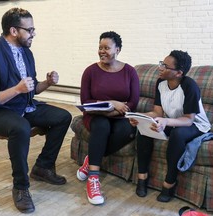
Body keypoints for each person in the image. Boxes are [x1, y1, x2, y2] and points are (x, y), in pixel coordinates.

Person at [0, 8, 72, 213]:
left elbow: (32, 89)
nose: (33, 33)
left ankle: (43, 167)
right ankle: (20, 187)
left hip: (23, 107)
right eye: (30, 30)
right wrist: (16, 89)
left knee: (63, 116)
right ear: (13, 30)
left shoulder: (26, 52)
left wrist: (47, 83)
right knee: (21, 127)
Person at [129, 50, 211, 202]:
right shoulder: (160, 83)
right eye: (161, 63)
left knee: (178, 134)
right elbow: (157, 112)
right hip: (172, 120)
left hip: (196, 125)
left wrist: (166, 121)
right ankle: (142, 177)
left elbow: (188, 120)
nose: (160, 68)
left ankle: (170, 182)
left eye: (165, 66)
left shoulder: (190, 86)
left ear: (179, 73)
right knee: (145, 128)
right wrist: (141, 117)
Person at [76, 31, 140, 205]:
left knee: (128, 130)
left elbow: (133, 101)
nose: (102, 51)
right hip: (96, 116)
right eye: (100, 47)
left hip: (120, 117)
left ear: (117, 49)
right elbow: (86, 101)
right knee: (102, 126)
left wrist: (117, 111)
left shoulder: (129, 71)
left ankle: (90, 159)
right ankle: (93, 180)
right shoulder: (90, 71)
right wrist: (111, 104)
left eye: (106, 48)